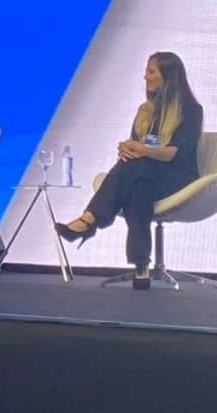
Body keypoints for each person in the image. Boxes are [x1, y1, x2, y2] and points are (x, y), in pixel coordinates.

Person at [54, 52, 203, 288]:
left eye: (151, 72)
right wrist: (128, 149)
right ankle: (141, 265)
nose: (145, 77)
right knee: (138, 188)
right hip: (146, 176)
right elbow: (140, 147)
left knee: (137, 167)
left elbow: (174, 153)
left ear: (168, 77)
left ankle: (90, 218)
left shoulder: (191, 110)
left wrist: (138, 150)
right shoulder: (147, 111)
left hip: (178, 178)